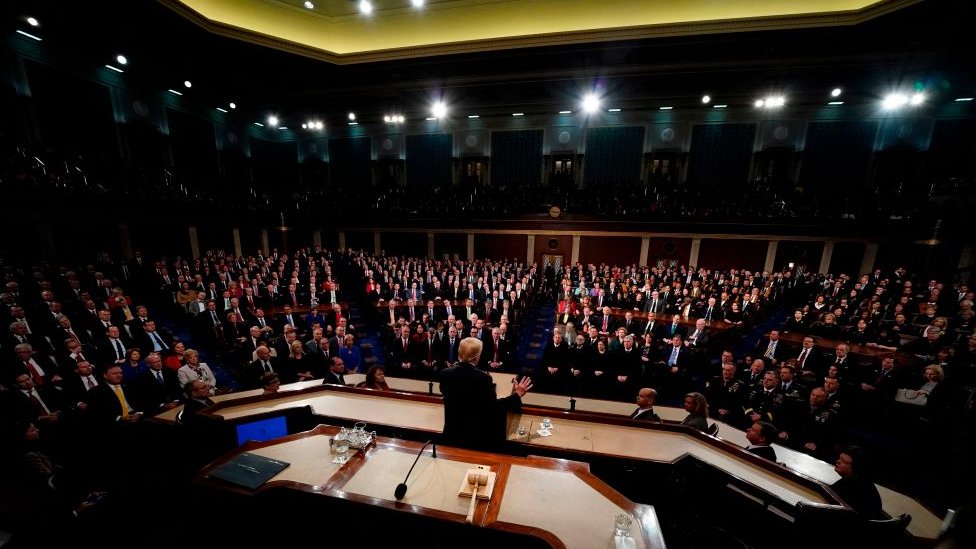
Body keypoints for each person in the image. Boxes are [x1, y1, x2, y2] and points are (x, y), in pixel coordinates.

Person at [439, 336, 532, 451]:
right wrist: (517, 394)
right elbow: (493, 408)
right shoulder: (483, 379)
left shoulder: (445, 374)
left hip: (451, 436)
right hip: (474, 439)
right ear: (476, 358)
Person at [831, 446, 883, 519]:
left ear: (856, 467)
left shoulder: (860, 486)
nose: (838, 461)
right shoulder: (847, 479)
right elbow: (830, 492)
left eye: (843, 461)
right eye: (840, 458)